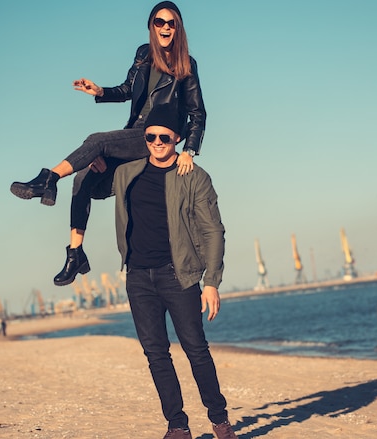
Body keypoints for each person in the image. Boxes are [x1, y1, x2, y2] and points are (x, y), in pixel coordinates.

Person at [10, 1, 206, 287]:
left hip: (156, 137)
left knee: (97, 141)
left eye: (171, 23)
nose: (165, 27)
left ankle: (47, 178)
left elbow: (198, 112)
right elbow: (128, 89)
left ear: (178, 28)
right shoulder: (143, 54)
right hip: (134, 133)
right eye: (159, 22)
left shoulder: (186, 64)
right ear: (151, 26)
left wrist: (189, 150)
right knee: (83, 177)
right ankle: (75, 253)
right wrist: (100, 91)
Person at [112, 104, 236, 439]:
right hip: (137, 276)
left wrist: (211, 282)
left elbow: (213, 231)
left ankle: (220, 419)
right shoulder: (126, 173)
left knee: (195, 348)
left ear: (177, 139)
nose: (156, 141)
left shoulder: (194, 177)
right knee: (155, 354)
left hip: (177, 275)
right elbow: (94, 185)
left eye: (164, 137)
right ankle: (177, 425)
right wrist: (94, 165)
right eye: (150, 135)